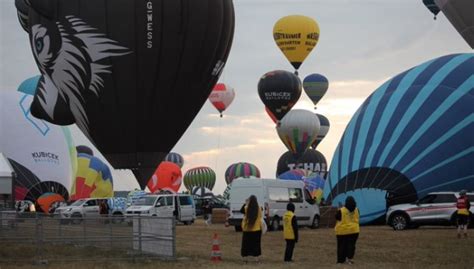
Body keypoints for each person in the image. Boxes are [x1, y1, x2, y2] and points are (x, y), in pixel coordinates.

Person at [335, 196, 360, 264]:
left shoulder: (341, 210)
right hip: (354, 231)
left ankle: (341, 260)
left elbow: (337, 217)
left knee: (341, 246)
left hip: (342, 231)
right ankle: (350, 259)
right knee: (351, 246)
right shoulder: (357, 210)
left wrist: (338, 210)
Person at [240, 195, 262, 263]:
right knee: (256, 244)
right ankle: (256, 258)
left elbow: (241, 211)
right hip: (257, 229)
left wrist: (246, 203)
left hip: (247, 229)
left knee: (246, 244)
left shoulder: (246, 208)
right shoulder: (259, 208)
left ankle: (245, 258)